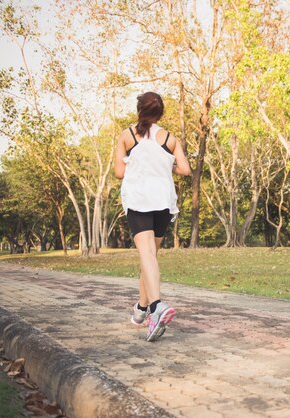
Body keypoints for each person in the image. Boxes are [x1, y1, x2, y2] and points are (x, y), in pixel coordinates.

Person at [114, 92, 191, 342]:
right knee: (150, 257)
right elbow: (185, 169)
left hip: (139, 199)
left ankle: (156, 306)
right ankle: (140, 310)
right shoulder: (170, 138)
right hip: (163, 202)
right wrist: (164, 163)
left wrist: (139, 164)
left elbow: (118, 172)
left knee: (146, 254)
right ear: (161, 113)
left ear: (139, 110)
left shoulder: (127, 135)